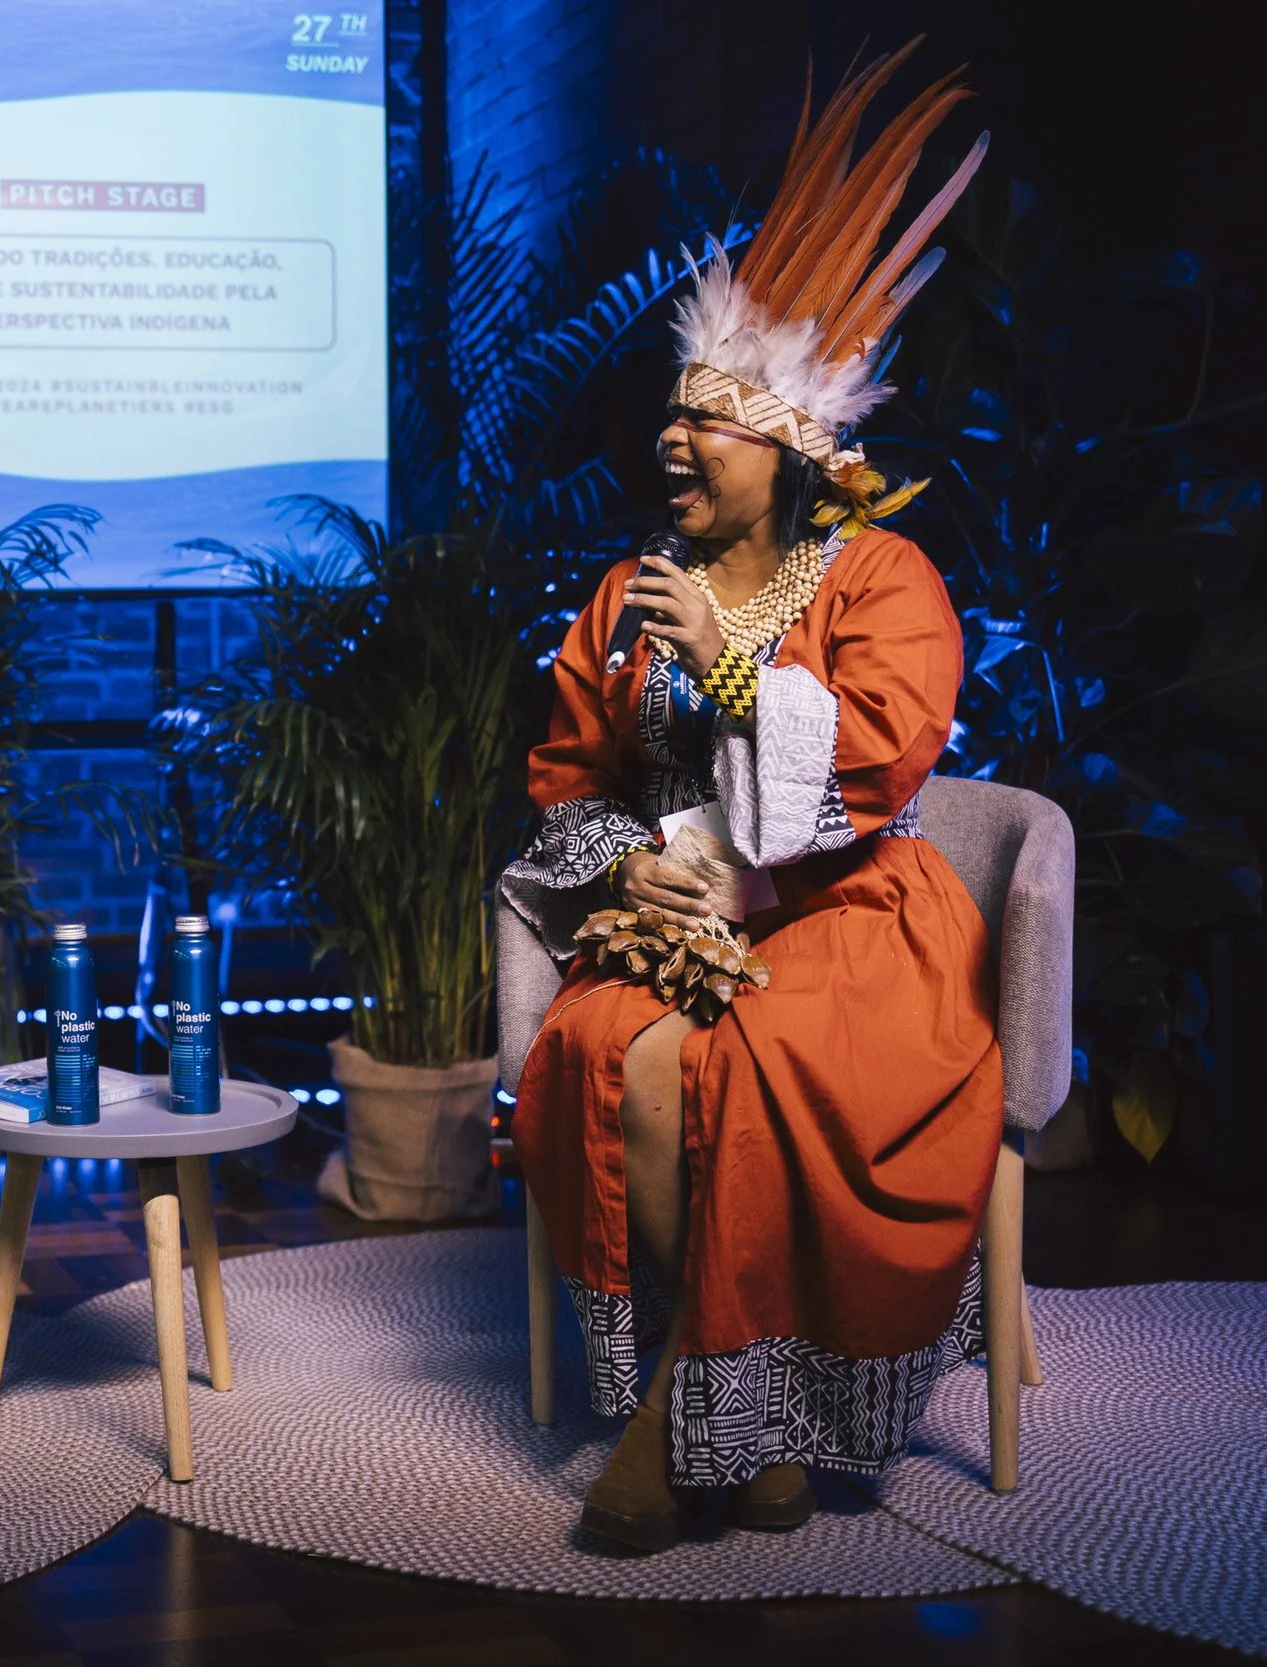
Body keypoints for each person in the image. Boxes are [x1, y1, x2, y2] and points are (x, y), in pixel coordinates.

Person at [499, 43, 998, 1553]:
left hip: (849, 914)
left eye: (707, 422)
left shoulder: (877, 576)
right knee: (601, 1052)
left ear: (784, 448)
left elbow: (887, 752)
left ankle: (693, 1421)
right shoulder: (620, 593)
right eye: (671, 417)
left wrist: (730, 666)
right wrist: (628, 867)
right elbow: (565, 774)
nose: (672, 439)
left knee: (755, 1058)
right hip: (675, 911)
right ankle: (737, 1413)